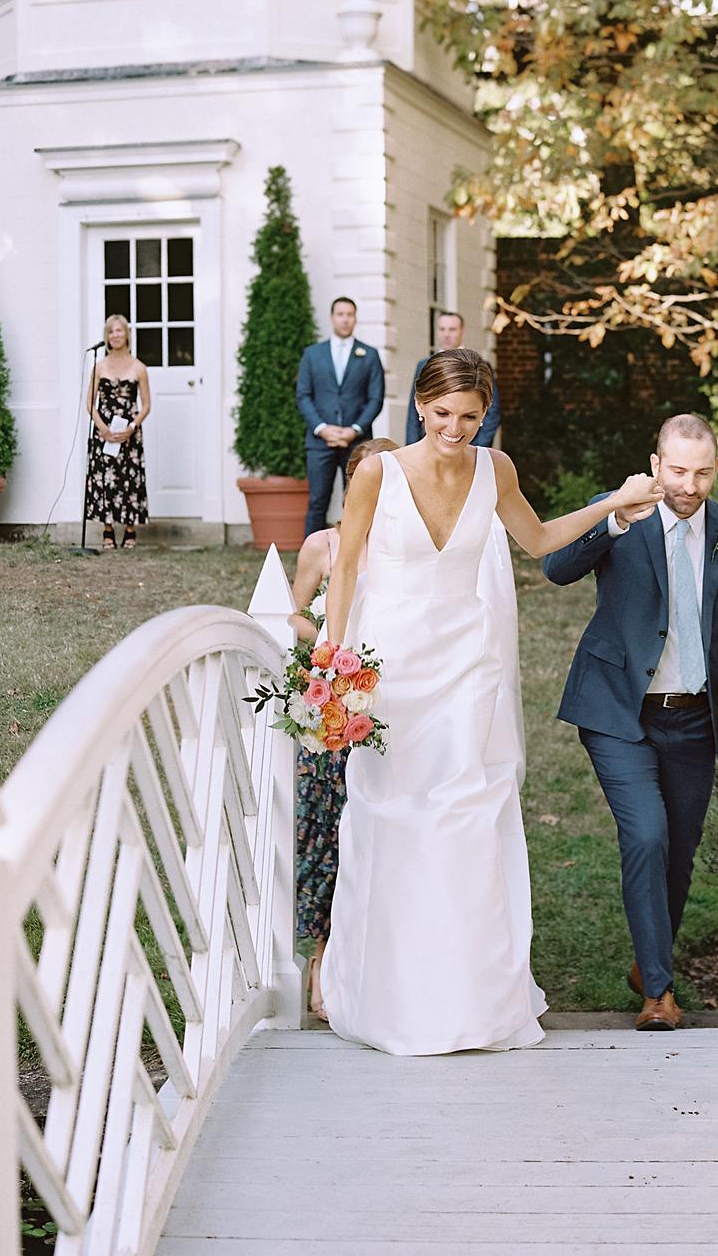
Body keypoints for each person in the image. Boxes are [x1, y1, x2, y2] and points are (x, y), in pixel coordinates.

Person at [319, 348, 662, 1056]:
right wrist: (334, 665)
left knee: (469, 820)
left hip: (470, 666)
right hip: (391, 673)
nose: (455, 428)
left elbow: (537, 541)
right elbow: (346, 567)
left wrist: (614, 505)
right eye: (443, 413)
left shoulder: (494, 469)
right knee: (395, 820)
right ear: (419, 405)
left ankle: (472, 999)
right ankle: (392, 998)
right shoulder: (377, 474)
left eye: (470, 417)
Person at [543, 414, 718, 1031]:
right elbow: (555, 568)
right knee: (645, 835)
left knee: (678, 854)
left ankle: (649, 961)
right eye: (676, 471)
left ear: (716, 469)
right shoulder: (621, 511)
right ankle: (659, 996)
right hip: (618, 711)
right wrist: (615, 516)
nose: (687, 486)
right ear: (655, 463)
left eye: (700, 473)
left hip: (694, 720)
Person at [288, 436, 398, 1019]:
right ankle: (323, 957)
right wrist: (322, 644)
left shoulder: (411, 544)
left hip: (398, 705)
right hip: (338, 709)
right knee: (330, 834)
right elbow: (291, 610)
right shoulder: (323, 544)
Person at [296, 296, 385, 538]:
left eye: (350, 314)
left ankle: (357, 555)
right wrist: (322, 428)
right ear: (332, 317)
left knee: (357, 499)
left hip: (357, 442)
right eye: (340, 314)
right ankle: (312, 558)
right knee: (317, 501)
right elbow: (303, 395)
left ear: (355, 319)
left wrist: (354, 429)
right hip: (319, 442)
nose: (345, 319)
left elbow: (376, 398)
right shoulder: (312, 354)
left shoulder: (369, 354)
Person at [85, 314, 151, 549]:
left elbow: (146, 405)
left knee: (129, 479)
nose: (115, 335)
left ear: (127, 335)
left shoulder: (139, 367)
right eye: (111, 331)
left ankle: (130, 530)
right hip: (104, 433)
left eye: (119, 331)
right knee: (105, 479)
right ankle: (108, 529)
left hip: (129, 434)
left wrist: (131, 427)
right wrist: (102, 428)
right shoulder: (99, 367)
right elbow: (89, 403)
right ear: (107, 336)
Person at [405, 311, 501, 446]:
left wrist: (478, 448)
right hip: (429, 447)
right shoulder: (424, 365)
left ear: (462, 331)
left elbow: (492, 410)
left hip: (469, 445)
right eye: (442, 329)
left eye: (452, 329)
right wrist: (412, 446)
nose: (446, 334)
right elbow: (413, 412)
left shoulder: (480, 366)